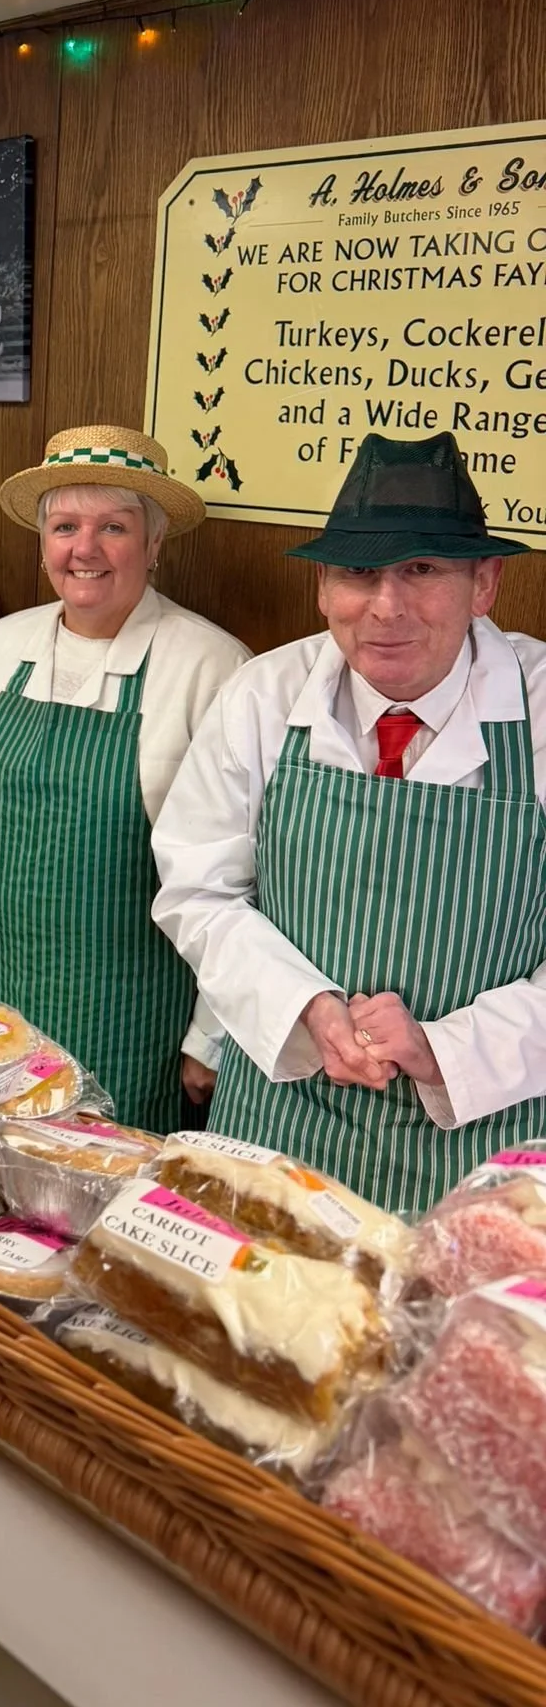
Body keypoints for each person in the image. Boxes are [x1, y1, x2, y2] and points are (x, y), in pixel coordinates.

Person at [154, 430, 546, 1209]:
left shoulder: (540, 711)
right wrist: (306, 1008)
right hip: (283, 1112)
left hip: (487, 1144)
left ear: (485, 583)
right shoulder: (262, 698)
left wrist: (446, 1049)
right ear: (323, 588)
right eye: (359, 573)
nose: (386, 607)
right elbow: (198, 892)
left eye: (423, 570)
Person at [0, 426, 247, 1130]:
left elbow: (241, 874)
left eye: (115, 528)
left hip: (133, 1029)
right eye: (66, 527)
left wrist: (210, 1038)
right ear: (44, 544)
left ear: (155, 543)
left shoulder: (212, 667)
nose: (86, 549)